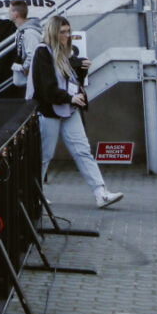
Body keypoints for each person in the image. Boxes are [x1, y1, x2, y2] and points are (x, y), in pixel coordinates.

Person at [33, 15, 123, 208]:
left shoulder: (64, 53)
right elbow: (47, 87)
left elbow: (72, 82)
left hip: (67, 107)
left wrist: (81, 70)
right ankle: (35, 195)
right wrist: (70, 97)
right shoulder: (43, 52)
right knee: (44, 155)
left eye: (68, 32)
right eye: (62, 32)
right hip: (51, 109)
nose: (66, 36)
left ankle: (101, 192)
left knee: (82, 150)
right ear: (53, 32)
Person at [4, 0, 41, 99]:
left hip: (32, 79)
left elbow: (33, 54)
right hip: (29, 79)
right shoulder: (21, 31)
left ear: (16, 14)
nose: (8, 14)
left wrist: (25, 68)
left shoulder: (29, 33)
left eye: (10, 11)